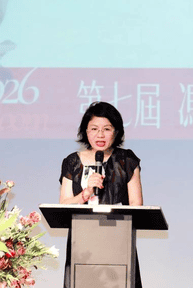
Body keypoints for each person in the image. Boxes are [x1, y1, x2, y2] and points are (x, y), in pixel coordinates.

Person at [59, 101, 143, 288]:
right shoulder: (72, 162)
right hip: (82, 244)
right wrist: (86, 193)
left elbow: (136, 206)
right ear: (86, 131)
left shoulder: (127, 160)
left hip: (118, 241)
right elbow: (64, 205)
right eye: (94, 129)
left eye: (107, 129)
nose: (100, 135)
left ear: (116, 132)